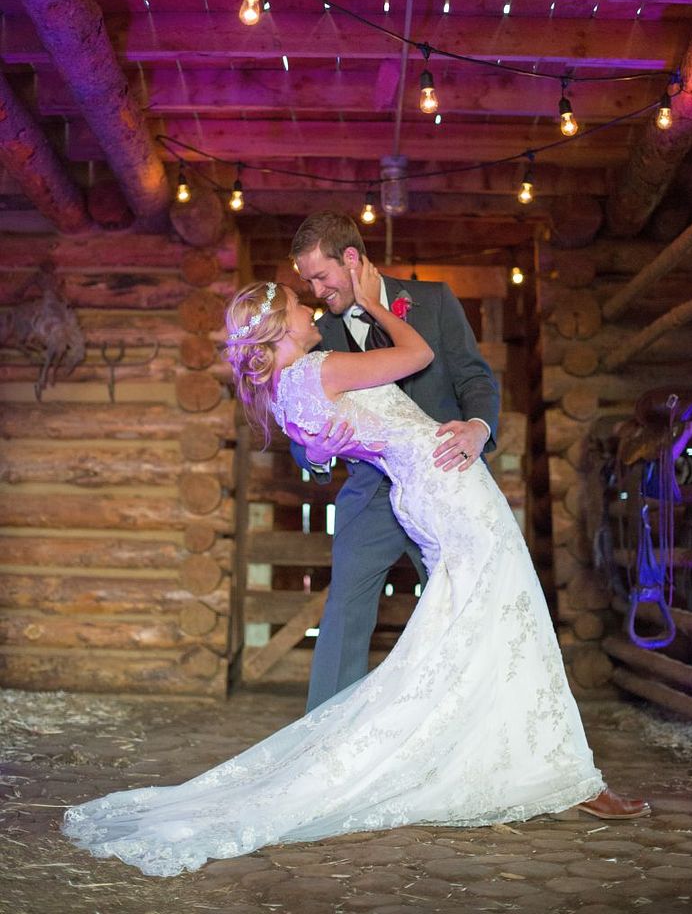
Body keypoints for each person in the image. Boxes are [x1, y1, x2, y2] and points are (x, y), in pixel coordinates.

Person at [62, 263, 649, 878]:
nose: (311, 305)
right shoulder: (321, 365)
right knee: (508, 612)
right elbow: (414, 356)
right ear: (278, 331)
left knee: (479, 623)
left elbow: (359, 419)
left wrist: (338, 442)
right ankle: (558, 771)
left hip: (432, 482)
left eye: (314, 285)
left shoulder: (288, 389)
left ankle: (518, 755)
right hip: (444, 488)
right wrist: (374, 307)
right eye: (297, 302)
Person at [289, 211, 501, 711]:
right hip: (372, 492)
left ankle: (458, 722)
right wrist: (313, 455)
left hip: (444, 479)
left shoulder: (435, 301)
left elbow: (475, 378)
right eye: (308, 282)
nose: (316, 291)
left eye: (321, 276)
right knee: (343, 612)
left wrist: (478, 427)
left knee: (459, 604)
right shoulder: (320, 336)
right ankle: (324, 742)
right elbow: (300, 417)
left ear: (351, 258)